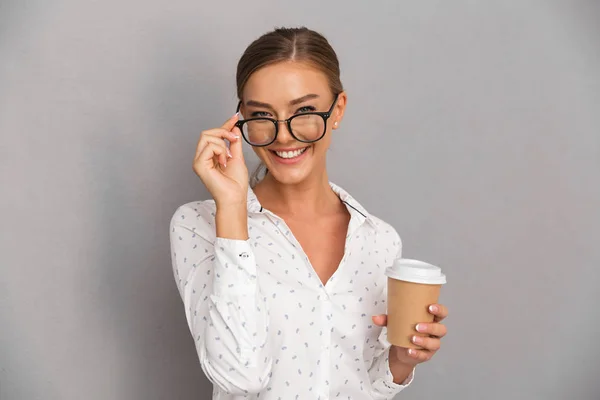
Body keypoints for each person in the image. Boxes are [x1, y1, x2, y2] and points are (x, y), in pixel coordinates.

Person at [169, 27, 449, 400]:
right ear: (239, 123)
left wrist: (401, 360)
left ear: (338, 110)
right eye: (262, 115)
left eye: (304, 112)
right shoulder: (198, 226)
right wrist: (233, 209)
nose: (284, 136)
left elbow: (364, 386)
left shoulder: (379, 240)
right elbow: (238, 377)